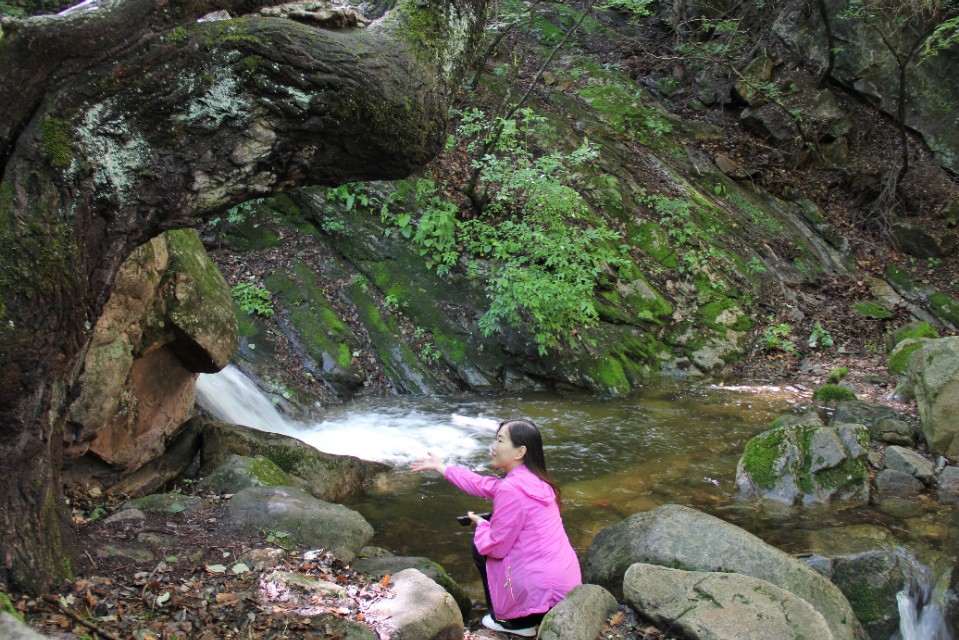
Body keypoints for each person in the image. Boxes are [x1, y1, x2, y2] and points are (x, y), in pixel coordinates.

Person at [410, 418, 581, 637]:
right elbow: (481, 484)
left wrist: (481, 526)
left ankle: (513, 622)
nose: (493, 446)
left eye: (500, 440)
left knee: (480, 548)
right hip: (564, 589)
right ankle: (524, 614)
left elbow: (496, 547)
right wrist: (442, 467)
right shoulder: (536, 481)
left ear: (519, 451)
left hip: (540, 596)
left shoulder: (511, 489)